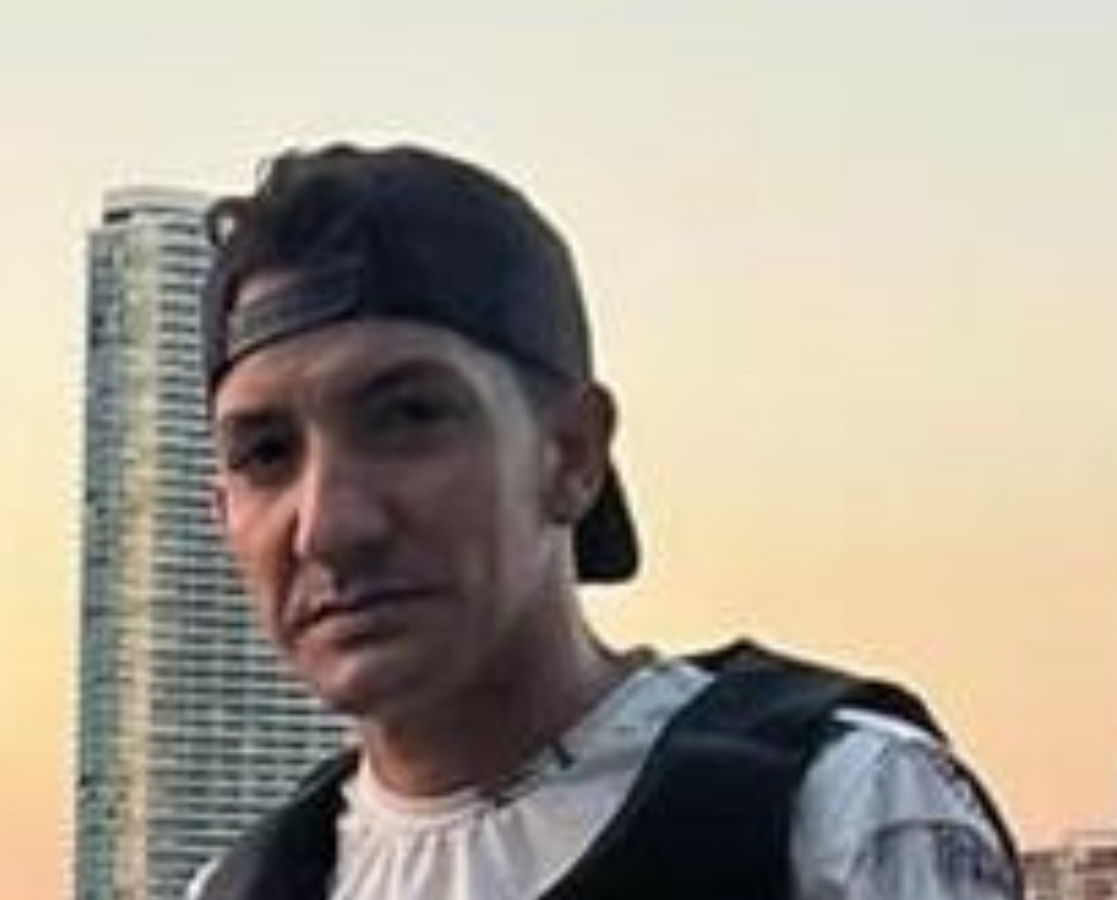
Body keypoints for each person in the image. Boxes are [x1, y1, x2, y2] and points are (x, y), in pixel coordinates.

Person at [189, 142, 1021, 900]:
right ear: (222, 513)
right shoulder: (240, 887)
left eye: (408, 417)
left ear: (572, 453)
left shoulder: (834, 814)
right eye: (265, 454)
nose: (329, 524)